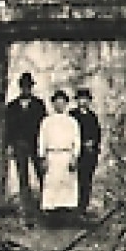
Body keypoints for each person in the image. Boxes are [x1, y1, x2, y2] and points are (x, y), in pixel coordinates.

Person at [3, 72, 46, 220]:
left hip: (35, 143)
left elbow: (43, 127)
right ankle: (26, 209)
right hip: (19, 144)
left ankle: (45, 205)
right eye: (24, 87)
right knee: (23, 177)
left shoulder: (39, 105)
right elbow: (8, 129)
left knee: (41, 174)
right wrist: (9, 146)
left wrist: (43, 146)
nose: (26, 90)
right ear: (20, 88)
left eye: (29, 87)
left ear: (32, 88)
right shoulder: (12, 107)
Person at [38, 90, 80, 220]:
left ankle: (66, 215)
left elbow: (77, 140)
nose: (59, 105)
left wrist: (74, 157)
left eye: (62, 102)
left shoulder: (72, 122)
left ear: (66, 104)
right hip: (52, 155)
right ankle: (51, 216)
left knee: (67, 185)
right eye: (57, 102)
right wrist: (43, 157)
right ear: (53, 104)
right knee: (52, 184)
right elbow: (42, 140)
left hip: (66, 155)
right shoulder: (46, 121)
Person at [71, 87, 102, 215]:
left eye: (85, 99)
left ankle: (83, 206)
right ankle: (74, 207)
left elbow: (97, 134)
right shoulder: (72, 115)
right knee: (75, 179)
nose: (83, 102)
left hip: (90, 153)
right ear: (77, 101)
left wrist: (93, 143)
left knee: (87, 179)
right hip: (77, 153)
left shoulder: (92, 117)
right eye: (80, 99)